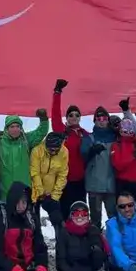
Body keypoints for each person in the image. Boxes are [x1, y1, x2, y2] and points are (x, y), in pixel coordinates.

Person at [51, 78, 90, 220]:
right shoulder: (62, 132)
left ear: (80, 117)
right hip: (64, 181)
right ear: (67, 118)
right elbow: (55, 116)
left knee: (80, 214)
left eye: (77, 115)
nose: (74, 117)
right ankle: (64, 240)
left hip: (80, 181)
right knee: (64, 214)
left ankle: (81, 240)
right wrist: (57, 92)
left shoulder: (86, 134)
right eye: (70, 115)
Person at [0, 110, 50, 199]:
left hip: (24, 189)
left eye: (18, 126)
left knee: (24, 209)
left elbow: (41, 132)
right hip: (5, 190)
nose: (15, 129)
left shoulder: (26, 140)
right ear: (6, 128)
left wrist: (43, 119)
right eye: (12, 126)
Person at [82, 105, 120, 225]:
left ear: (108, 120)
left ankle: (114, 242)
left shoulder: (116, 137)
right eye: (99, 119)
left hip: (111, 185)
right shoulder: (89, 138)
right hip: (94, 186)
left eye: (104, 118)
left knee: (114, 218)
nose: (102, 121)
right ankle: (96, 242)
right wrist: (91, 152)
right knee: (95, 220)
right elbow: (82, 155)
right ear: (95, 121)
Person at [29, 130, 69, 226]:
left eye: (56, 150)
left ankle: (61, 240)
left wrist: (55, 195)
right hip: (36, 191)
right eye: (51, 150)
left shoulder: (64, 152)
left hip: (52, 192)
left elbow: (62, 174)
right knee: (34, 222)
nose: (53, 152)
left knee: (57, 220)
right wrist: (41, 192)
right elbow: (34, 173)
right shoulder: (37, 151)